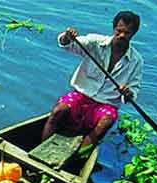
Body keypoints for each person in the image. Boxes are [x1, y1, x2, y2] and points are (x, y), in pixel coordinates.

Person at [41, 11, 143, 148]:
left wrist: (128, 93)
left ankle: (75, 158)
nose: (122, 36)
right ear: (114, 28)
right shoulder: (95, 42)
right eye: (119, 31)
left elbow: (133, 90)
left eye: (127, 33)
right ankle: (43, 149)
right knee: (58, 111)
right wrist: (67, 37)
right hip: (81, 97)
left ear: (133, 34)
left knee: (105, 122)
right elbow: (68, 45)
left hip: (106, 105)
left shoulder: (136, 61)